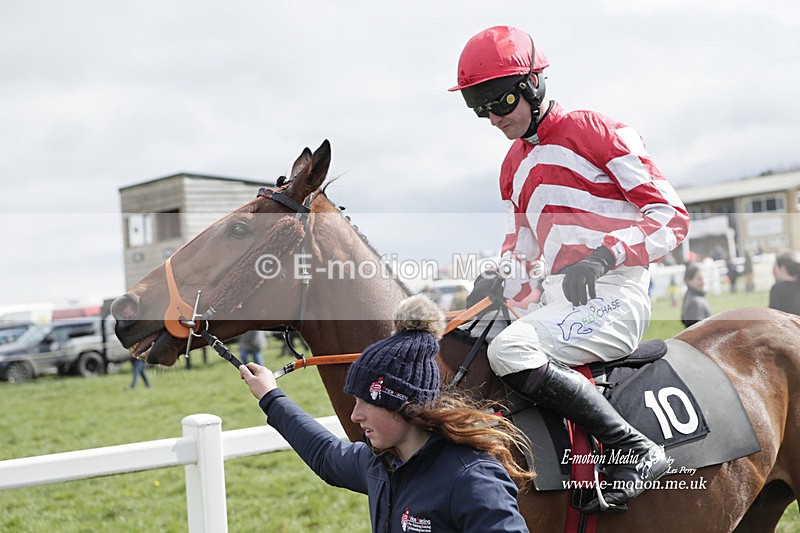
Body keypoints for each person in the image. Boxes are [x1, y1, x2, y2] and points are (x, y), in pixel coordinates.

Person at [449, 26, 689, 513]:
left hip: (615, 296)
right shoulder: (511, 166)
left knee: (511, 348)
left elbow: (671, 217)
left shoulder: (598, 130)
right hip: (552, 302)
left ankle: (637, 448)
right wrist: (495, 280)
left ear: (535, 83)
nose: (493, 118)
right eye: (480, 108)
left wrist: (605, 255)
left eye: (501, 101)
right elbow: (523, 250)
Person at [240, 295, 532, 532]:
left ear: (403, 405)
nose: (355, 416)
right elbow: (325, 455)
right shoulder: (381, 463)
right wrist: (270, 396)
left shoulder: (473, 480)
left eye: (367, 401)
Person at [681, 263, 713, 328]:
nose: (704, 281)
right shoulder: (695, 302)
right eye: (699, 279)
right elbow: (696, 333)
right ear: (689, 281)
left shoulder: (691, 296)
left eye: (705, 277)